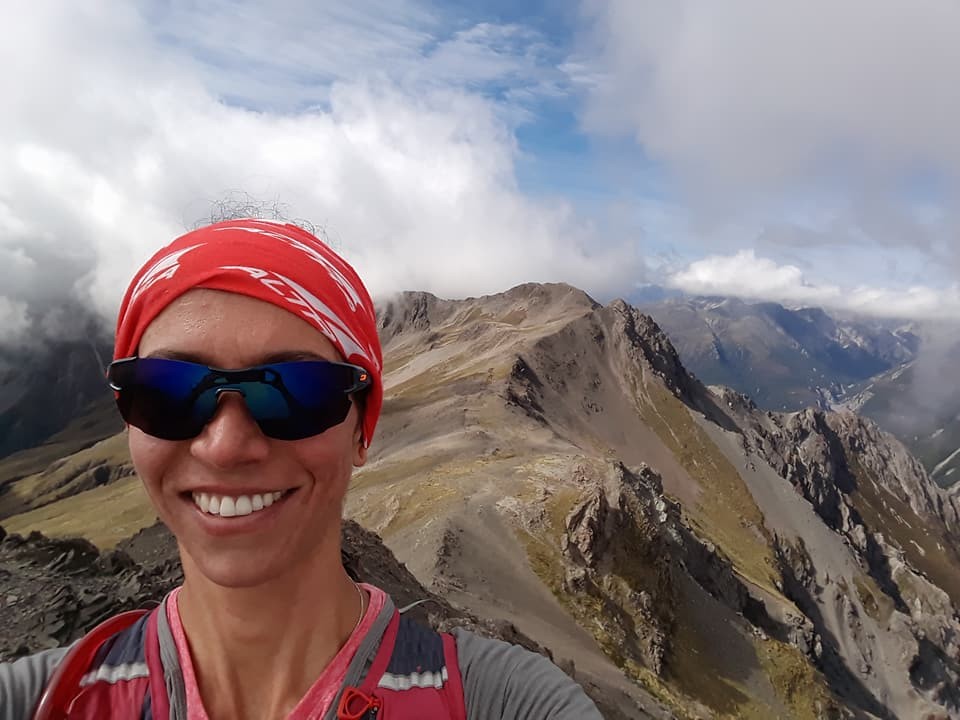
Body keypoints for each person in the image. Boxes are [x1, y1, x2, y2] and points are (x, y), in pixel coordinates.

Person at [0, 219, 603, 719]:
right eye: (165, 390)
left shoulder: (508, 702)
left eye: (297, 389)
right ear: (128, 419)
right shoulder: (36, 700)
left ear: (362, 430)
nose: (226, 446)